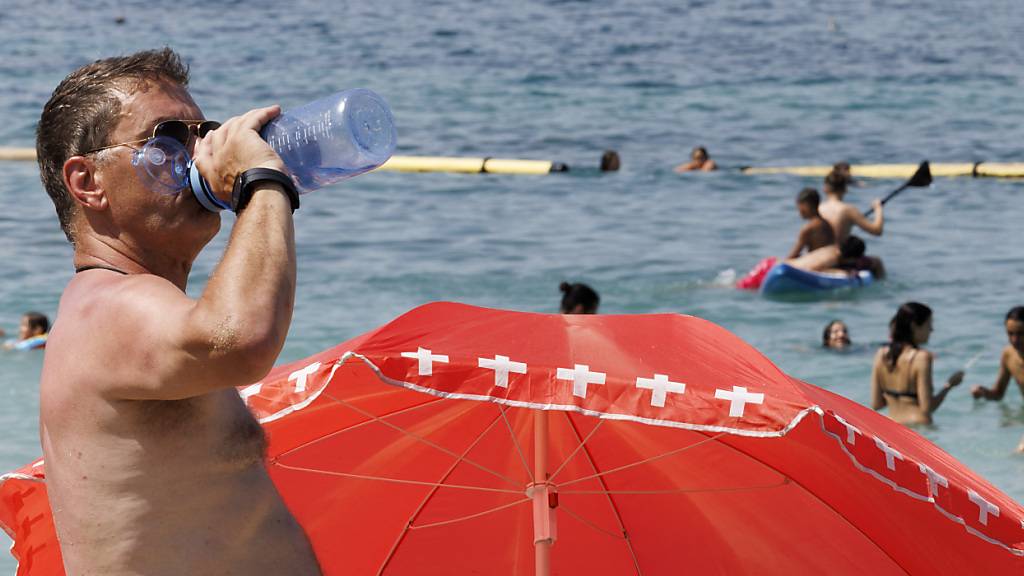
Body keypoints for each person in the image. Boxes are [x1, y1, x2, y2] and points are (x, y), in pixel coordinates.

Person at [35, 49, 321, 574]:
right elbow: (240, 339)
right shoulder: (108, 307)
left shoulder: (145, 311)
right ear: (87, 183)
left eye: (202, 132)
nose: (196, 154)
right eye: (167, 137)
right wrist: (263, 180)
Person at [870, 302, 963, 426]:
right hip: (919, 429)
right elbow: (927, 408)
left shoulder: (881, 354)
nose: (931, 330)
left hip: (892, 428)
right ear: (914, 326)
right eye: (929, 324)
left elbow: (877, 404)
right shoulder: (922, 357)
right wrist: (949, 385)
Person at [970, 306, 1024, 402]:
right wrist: (983, 392)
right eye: (1010, 333)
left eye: (1020, 334)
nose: (1014, 340)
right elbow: (998, 394)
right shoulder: (1008, 355)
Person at [818, 170, 883, 245]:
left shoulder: (818, 208)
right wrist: (878, 209)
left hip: (816, 254)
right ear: (845, 189)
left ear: (825, 189)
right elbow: (877, 231)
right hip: (837, 253)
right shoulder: (849, 210)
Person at [786, 235, 886, 279]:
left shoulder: (833, 249)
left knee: (876, 261)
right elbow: (810, 270)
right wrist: (841, 273)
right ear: (852, 258)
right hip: (792, 270)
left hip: (789, 263)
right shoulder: (830, 259)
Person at [786, 187, 835, 259]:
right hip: (827, 262)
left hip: (815, 263)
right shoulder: (827, 224)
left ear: (806, 205)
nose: (799, 211)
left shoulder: (808, 228)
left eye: (799, 206)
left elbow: (792, 255)